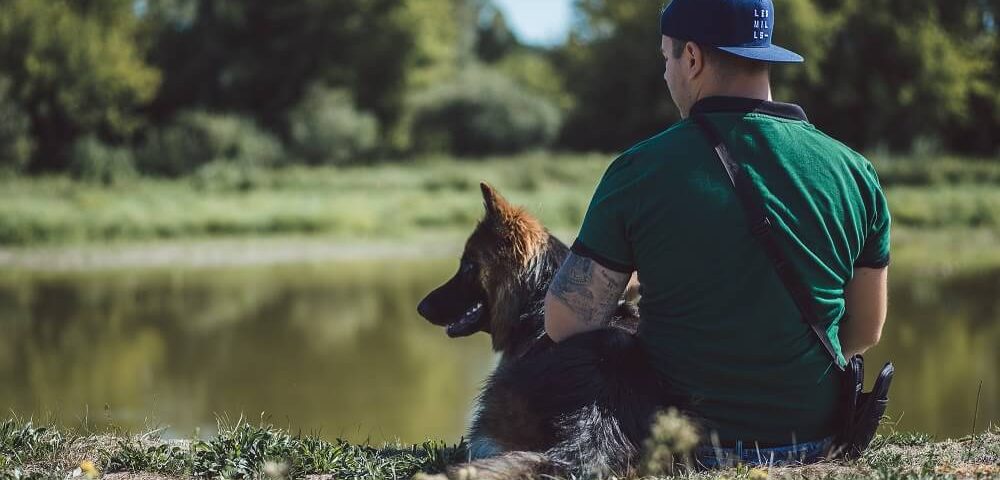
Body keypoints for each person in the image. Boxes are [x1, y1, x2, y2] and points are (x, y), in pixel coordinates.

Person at [543, 0, 890, 467]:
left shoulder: (639, 170)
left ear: (692, 58)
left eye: (667, 58)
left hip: (682, 451)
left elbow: (566, 324)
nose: (667, 74)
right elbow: (865, 330)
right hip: (813, 445)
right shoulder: (855, 172)